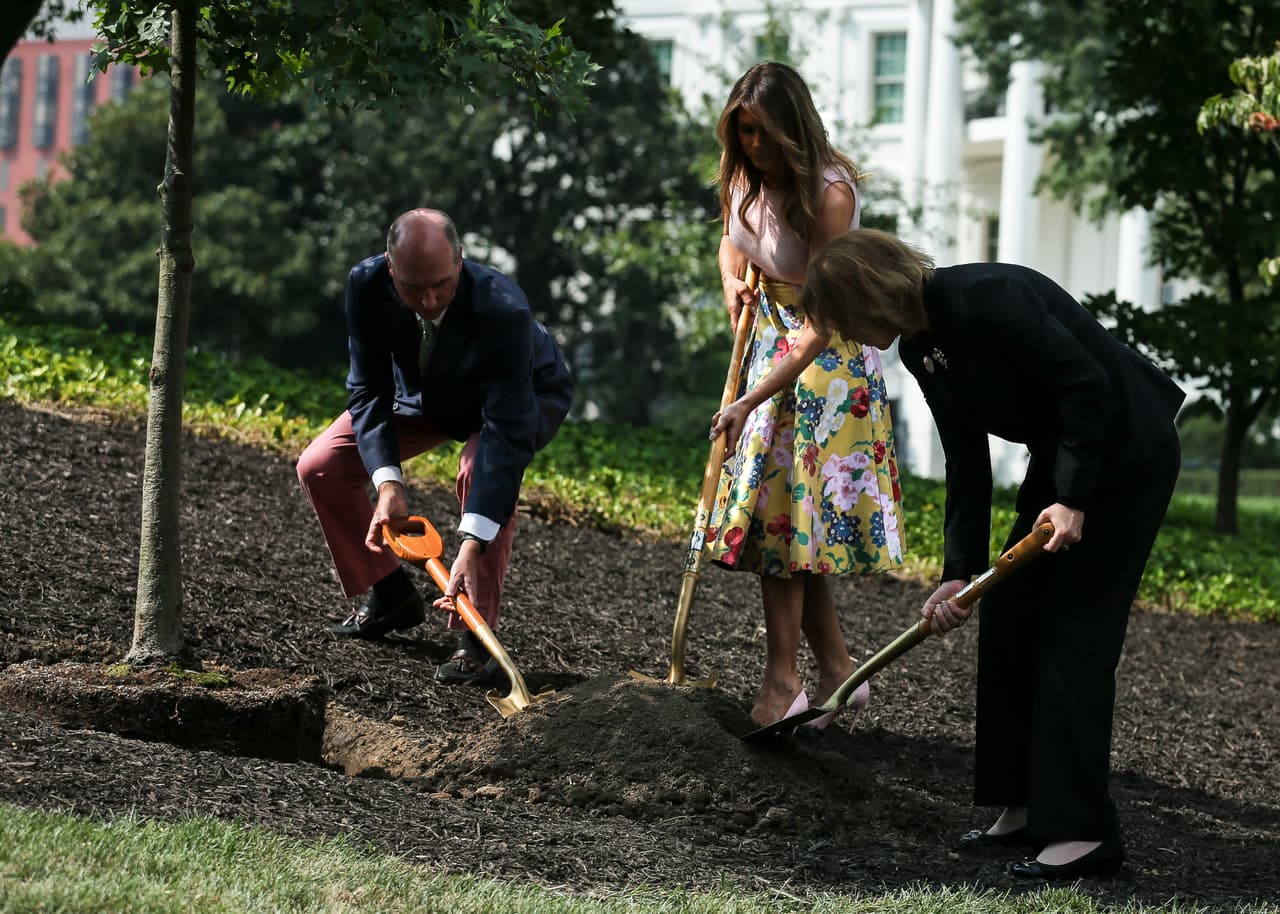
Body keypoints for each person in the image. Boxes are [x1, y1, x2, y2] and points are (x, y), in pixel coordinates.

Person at [799, 228, 1185, 880]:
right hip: (1066, 455)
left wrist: (1071, 498)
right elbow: (966, 462)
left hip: (1123, 452)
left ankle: (1085, 834)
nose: (852, 337)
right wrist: (957, 576)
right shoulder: (923, 349)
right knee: (1008, 613)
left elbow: (1087, 386)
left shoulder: (988, 296)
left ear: (872, 292)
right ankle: (1026, 806)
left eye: (846, 319)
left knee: (1072, 634)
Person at [705, 62, 906, 731]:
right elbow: (733, 242)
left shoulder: (830, 196)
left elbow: (823, 319)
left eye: (761, 134)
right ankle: (840, 670)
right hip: (770, 344)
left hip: (826, 370)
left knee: (783, 528)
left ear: (791, 128)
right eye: (742, 134)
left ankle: (782, 681)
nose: (752, 147)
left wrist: (748, 400)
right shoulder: (744, 177)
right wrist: (734, 280)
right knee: (792, 528)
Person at [297, 208, 573, 685]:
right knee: (320, 464)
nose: (427, 300)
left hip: (519, 395)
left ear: (461, 261)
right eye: (412, 288)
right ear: (390, 268)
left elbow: (504, 437)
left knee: (477, 467)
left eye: (441, 285)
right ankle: (390, 594)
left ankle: (477, 636)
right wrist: (387, 480)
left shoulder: (503, 307)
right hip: (424, 394)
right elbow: (367, 389)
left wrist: (470, 543)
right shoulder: (365, 285)